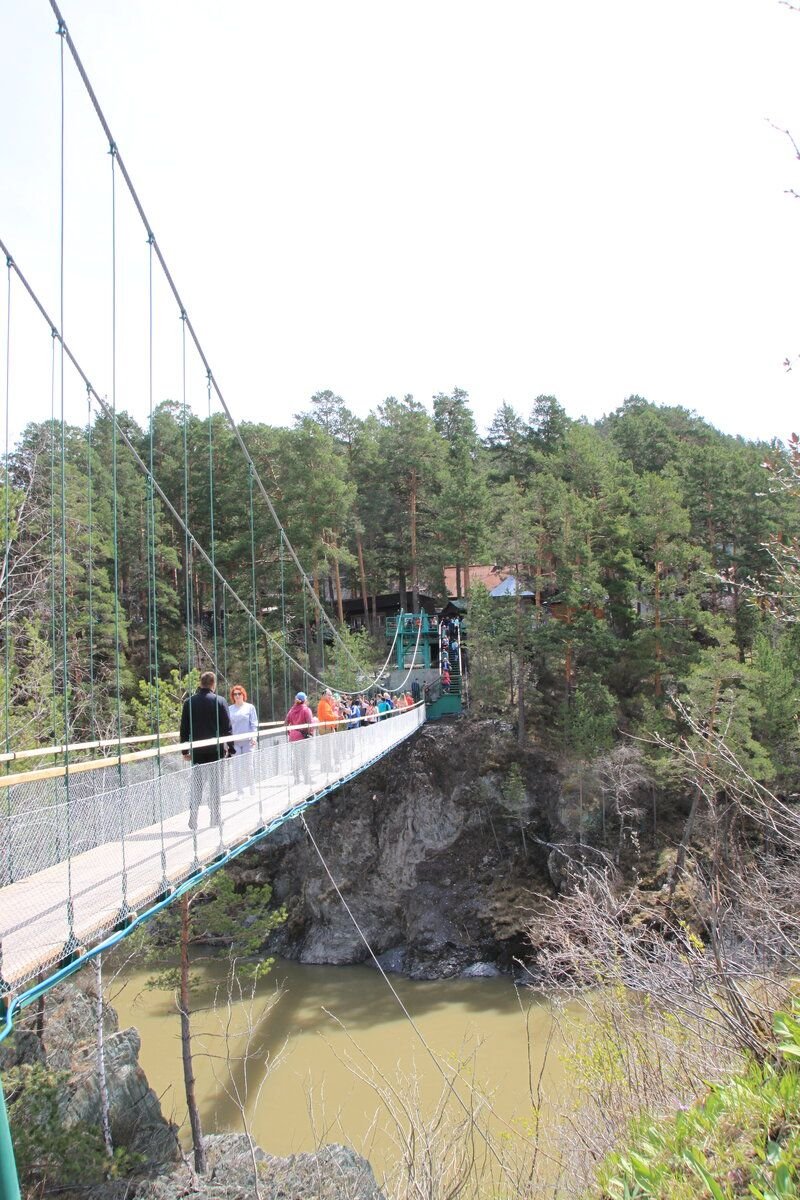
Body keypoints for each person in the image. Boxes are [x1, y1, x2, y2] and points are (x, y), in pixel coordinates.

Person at [180, 670, 233, 831]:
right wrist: (230, 749)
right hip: (215, 751)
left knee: (197, 786)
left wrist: (184, 751)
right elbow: (227, 728)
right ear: (213, 684)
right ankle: (215, 818)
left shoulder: (189, 702)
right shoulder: (220, 701)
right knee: (215, 785)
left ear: (200, 683)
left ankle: (193, 817)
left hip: (197, 751)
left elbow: (184, 729)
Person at [229, 684, 258, 796]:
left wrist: (254, 737)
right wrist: (227, 743)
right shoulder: (229, 709)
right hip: (235, 743)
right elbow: (228, 726)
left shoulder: (250, 707)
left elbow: (254, 724)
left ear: (243, 694)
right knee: (236, 768)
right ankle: (240, 792)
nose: (237, 696)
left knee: (248, 766)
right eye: (234, 694)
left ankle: (252, 788)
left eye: (239, 694)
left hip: (248, 741)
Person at [285, 691, 314, 783]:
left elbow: (285, 723)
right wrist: (310, 734)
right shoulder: (306, 710)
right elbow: (310, 724)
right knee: (306, 758)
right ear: (305, 700)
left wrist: (290, 732)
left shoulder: (292, 710)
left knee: (296, 758)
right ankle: (307, 779)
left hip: (293, 737)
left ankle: (296, 779)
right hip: (302, 737)